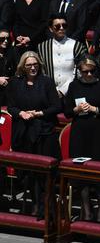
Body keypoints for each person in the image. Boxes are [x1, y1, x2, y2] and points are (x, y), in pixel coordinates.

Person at [7, 52, 61, 216]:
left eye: (35, 64)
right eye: (29, 65)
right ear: (23, 66)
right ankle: (34, 203)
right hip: (24, 132)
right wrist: (21, 113)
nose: (33, 67)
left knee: (42, 173)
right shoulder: (15, 83)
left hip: (44, 132)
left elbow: (56, 107)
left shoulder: (46, 82)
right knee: (28, 173)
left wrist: (38, 114)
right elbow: (11, 107)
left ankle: (44, 207)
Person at [63, 56, 100, 221]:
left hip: (99, 133)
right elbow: (67, 111)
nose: (89, 74)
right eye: (85, 72)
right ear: (80, 72)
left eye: (92, 71)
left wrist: (95, 109)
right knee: (81, 172)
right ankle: (87, 210)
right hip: (80, 133)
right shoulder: (74, 86)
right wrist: (76, 109)